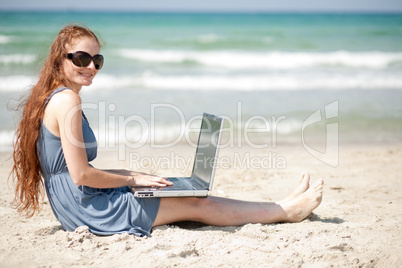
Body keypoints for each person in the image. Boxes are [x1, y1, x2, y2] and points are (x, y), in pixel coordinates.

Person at [10, 25, 324, 237]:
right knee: (198, 203)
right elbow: (80, 176)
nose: (91, 66)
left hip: (80, 204)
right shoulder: (67, 101)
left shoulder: (55, 97)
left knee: (190, 191)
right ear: (59, 60)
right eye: (81, 58)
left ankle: (279, 205)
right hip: (90, 210)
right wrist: (131, 181)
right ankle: (286, 211)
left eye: (97, 60)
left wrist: (133, 174)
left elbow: (77, 171)